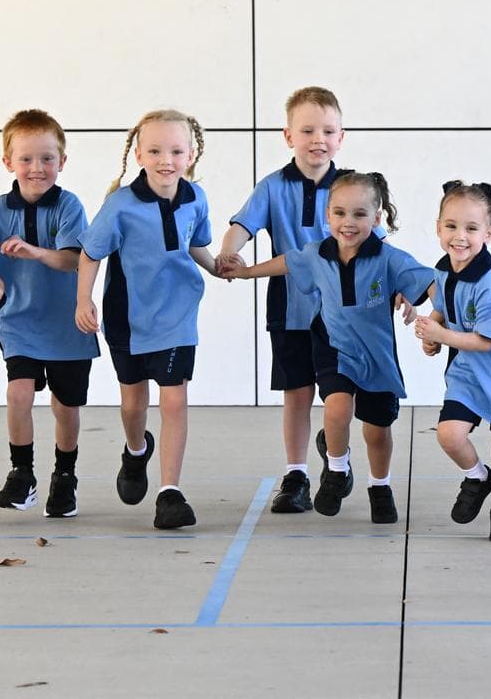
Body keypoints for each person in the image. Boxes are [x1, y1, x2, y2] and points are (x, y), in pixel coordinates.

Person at [221, 172, 433, 524]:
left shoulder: (390, 258)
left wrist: (432, 315)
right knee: (336, 408)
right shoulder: (316, 253)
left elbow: (427, 282)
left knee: (377, 431)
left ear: (377, 219)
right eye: (339, 213)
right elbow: (287, 262)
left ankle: (380, 486)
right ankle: (336, 469)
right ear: (328, 216)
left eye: (360, 215)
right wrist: (245, 273)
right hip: (333, 345)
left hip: (376, 354)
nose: (348, 223)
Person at [216, 86, 367, 514]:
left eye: (328, 130)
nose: (318, 138)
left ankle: (336, 455)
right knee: (297, 393)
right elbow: (241, 225)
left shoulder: (353, 187)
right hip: (290, 307)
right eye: (308, 130)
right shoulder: (272, 187)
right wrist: (232, 251)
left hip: (345, 308)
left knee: (340, 394)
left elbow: (378, 244)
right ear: (288, 136)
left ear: (341, 136)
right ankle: (296, 473)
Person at [76, 109, 217, 529]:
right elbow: (90, 253)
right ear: (138, 154)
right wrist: (83, 301)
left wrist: (218, 267)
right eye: (155, 150)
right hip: (129, 320)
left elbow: (195, 246)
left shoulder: (197, 198)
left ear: (190, 154)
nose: (165, 160)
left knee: (174, 399)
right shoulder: (120, 205)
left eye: (175, 151)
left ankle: (169, 491)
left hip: (177, 316)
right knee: (133, 402)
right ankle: (136, 451)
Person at [0, 109, 99, 518]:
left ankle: (65, 475)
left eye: (47, 158)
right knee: (18, 393)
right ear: (8, 163)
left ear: (62, 161)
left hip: (68, 325)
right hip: (19, 321)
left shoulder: (70, 206)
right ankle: (22, 473)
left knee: (65, 406)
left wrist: (35, 251)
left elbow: (74, 260)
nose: (37, 168)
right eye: (26, 159)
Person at [414, 180, 491, 542]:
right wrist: (433, 329)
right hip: (467, 371)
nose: (460, 237)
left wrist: (441, 336)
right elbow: (442, 308)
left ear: (489, 232)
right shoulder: (444, 269)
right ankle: (477, 477)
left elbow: (485, 342)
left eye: (471, 228)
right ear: (438, 228)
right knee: (449, 435)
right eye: (451, 226)